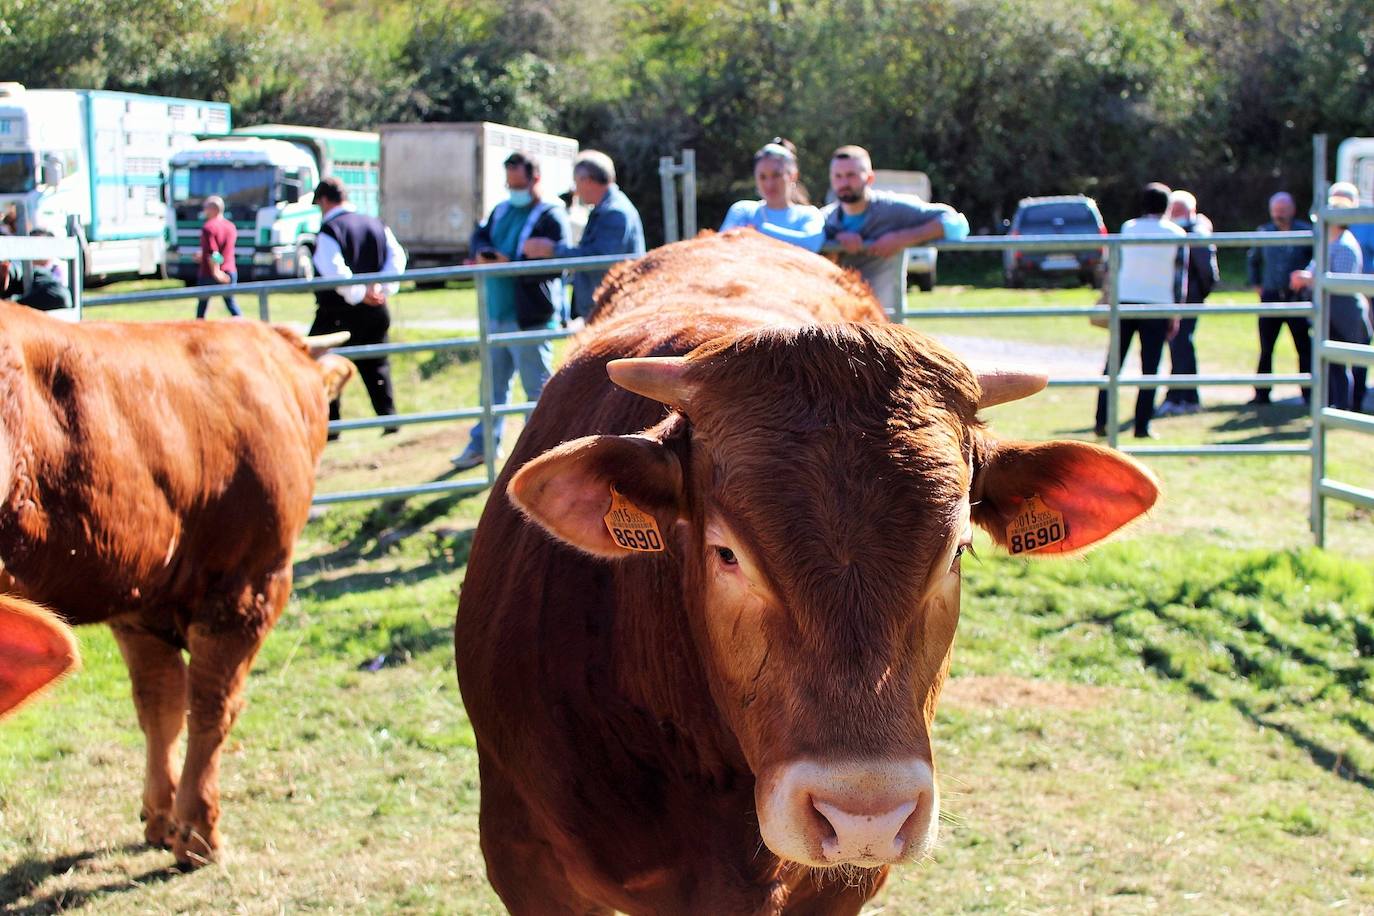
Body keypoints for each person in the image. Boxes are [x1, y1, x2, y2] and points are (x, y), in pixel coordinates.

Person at [452, 152, 571, 470]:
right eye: (508, 183)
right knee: (491, 387)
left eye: (517, 183)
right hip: (497, 312)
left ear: (535, 179)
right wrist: (482, 254)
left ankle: (539, 453)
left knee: (536, 389)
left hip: (529, 317)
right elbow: (480, 236)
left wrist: (514, 266)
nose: (512, 189)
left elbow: (555, 268)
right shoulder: (501, 210)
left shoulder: (551, 216)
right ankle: (482, 446)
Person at [308, 176, 407, 437]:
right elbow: (397, 258)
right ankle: (389, 419)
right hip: (375, 309)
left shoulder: (330, 230)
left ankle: (332, 427)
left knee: (323, 363)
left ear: (325, 200)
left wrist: (360, 292)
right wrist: (380, 288)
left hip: (337, 312)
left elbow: (334, 271)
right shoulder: (375, 223)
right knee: (377, 365)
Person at [821, 145, 969, 317]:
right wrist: (834, 240)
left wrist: (902, 238)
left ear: (869, 178)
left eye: (851, 175)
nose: (844, 183)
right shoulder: (825, 219)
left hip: (887, 322)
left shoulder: (893, 209)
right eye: (838, 176)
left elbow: (957, 224)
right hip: (839, 322)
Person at [1094, 182, 1186, 440]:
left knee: (1113, 364)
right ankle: (1142, 425)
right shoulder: (1177, 233)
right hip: (1158, 303)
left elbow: (1115, 265)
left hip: (1125, 301)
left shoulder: (1128, 228)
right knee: (1150, 367)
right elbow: (1180, 277)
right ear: (1167, 206)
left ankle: (1102, 420)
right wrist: (1176, 311)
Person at [523, 150, 643, 320]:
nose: (575, 190)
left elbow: (598, 258)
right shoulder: (609, 208)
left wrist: (553, 250)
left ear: (586, 181)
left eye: (576, 182)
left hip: (611, 309)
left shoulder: (614, 212)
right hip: (606, 306)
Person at [1288, 183, 1372, 412]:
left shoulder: (1344, 245)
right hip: (1329, 308)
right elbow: (1317, 270)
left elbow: (1340, 281)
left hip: (1344, 310)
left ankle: (1347, 405)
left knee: (1347, 358)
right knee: (1333, 361)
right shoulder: (1329, 243)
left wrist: (1307, 279)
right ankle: (1337, 404)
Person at [1246, 191, 1313, 405]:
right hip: (1271, 296)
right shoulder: (1264, 232)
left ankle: (1309, 393)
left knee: (1304, 347)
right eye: (1276, 211)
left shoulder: (1306, 232)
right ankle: (1262, 394)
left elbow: (1315, 261)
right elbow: (1253, 260)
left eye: (1283, 211)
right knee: (1266, 347)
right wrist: (1257, 285)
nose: (1279, 215)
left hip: (1297, 296)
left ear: (1292, 210)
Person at [1157, 190, 1218, 417]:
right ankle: (1180, 395)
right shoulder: (1190, 230)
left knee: (1182, 344)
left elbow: (1206, 270)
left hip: (1187, 297)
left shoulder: (1196, 232)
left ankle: (1184, 397)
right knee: (1179, 345)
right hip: (1180, 296)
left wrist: (1199, 292)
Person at [719, 138, 824, 253]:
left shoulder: (808, 214)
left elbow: (811, 243)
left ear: (793, 176)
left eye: (776, 175)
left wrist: (758, 231)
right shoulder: (743, 211)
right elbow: (721, 245)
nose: (769, 184)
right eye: (762, 177)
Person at [193, 196, 241, 319]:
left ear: (213, 209)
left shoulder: (208, 227)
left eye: (206, 208)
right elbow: (221, 253)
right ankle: (243, 326)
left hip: (211, 273)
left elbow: (213, 253)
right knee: (231, 304)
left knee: (202, 309)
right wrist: (203, 255)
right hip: (230, 270)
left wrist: (216, 272)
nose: (204, 210)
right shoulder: (231, 226)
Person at [16, 229, 71, 311]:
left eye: (39, 245)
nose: (35, 249)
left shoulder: (60, 267)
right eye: (32, 245)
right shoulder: (20, 268)